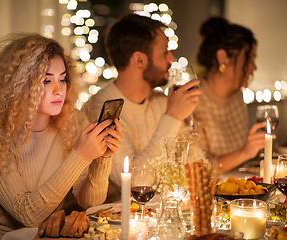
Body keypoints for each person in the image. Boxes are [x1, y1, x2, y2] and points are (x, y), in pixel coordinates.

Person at [0, 33, 122, 240]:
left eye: (62, 79)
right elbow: (28, 215)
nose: (59, 90)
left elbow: (90, 203)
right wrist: (81, 155)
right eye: (45, 80)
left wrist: (103, 158)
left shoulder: (72, 123)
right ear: (19, 85)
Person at [82, 13, 201, 198]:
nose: (171, 58)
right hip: (119, 222)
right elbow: (135, 184)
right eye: (164, 51)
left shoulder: (162, 102)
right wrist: (172, 117)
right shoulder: (101, 110)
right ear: (139, 60)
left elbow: (195, 161)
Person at [193, 17, 266, 173]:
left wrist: (257, 149)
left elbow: (240, 156)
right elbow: (198, 170)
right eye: (249, 58)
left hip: (238, 188)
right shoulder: (194, 100)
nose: (254, 67)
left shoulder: (237, 96)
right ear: (222, 57)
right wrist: (245, 152)